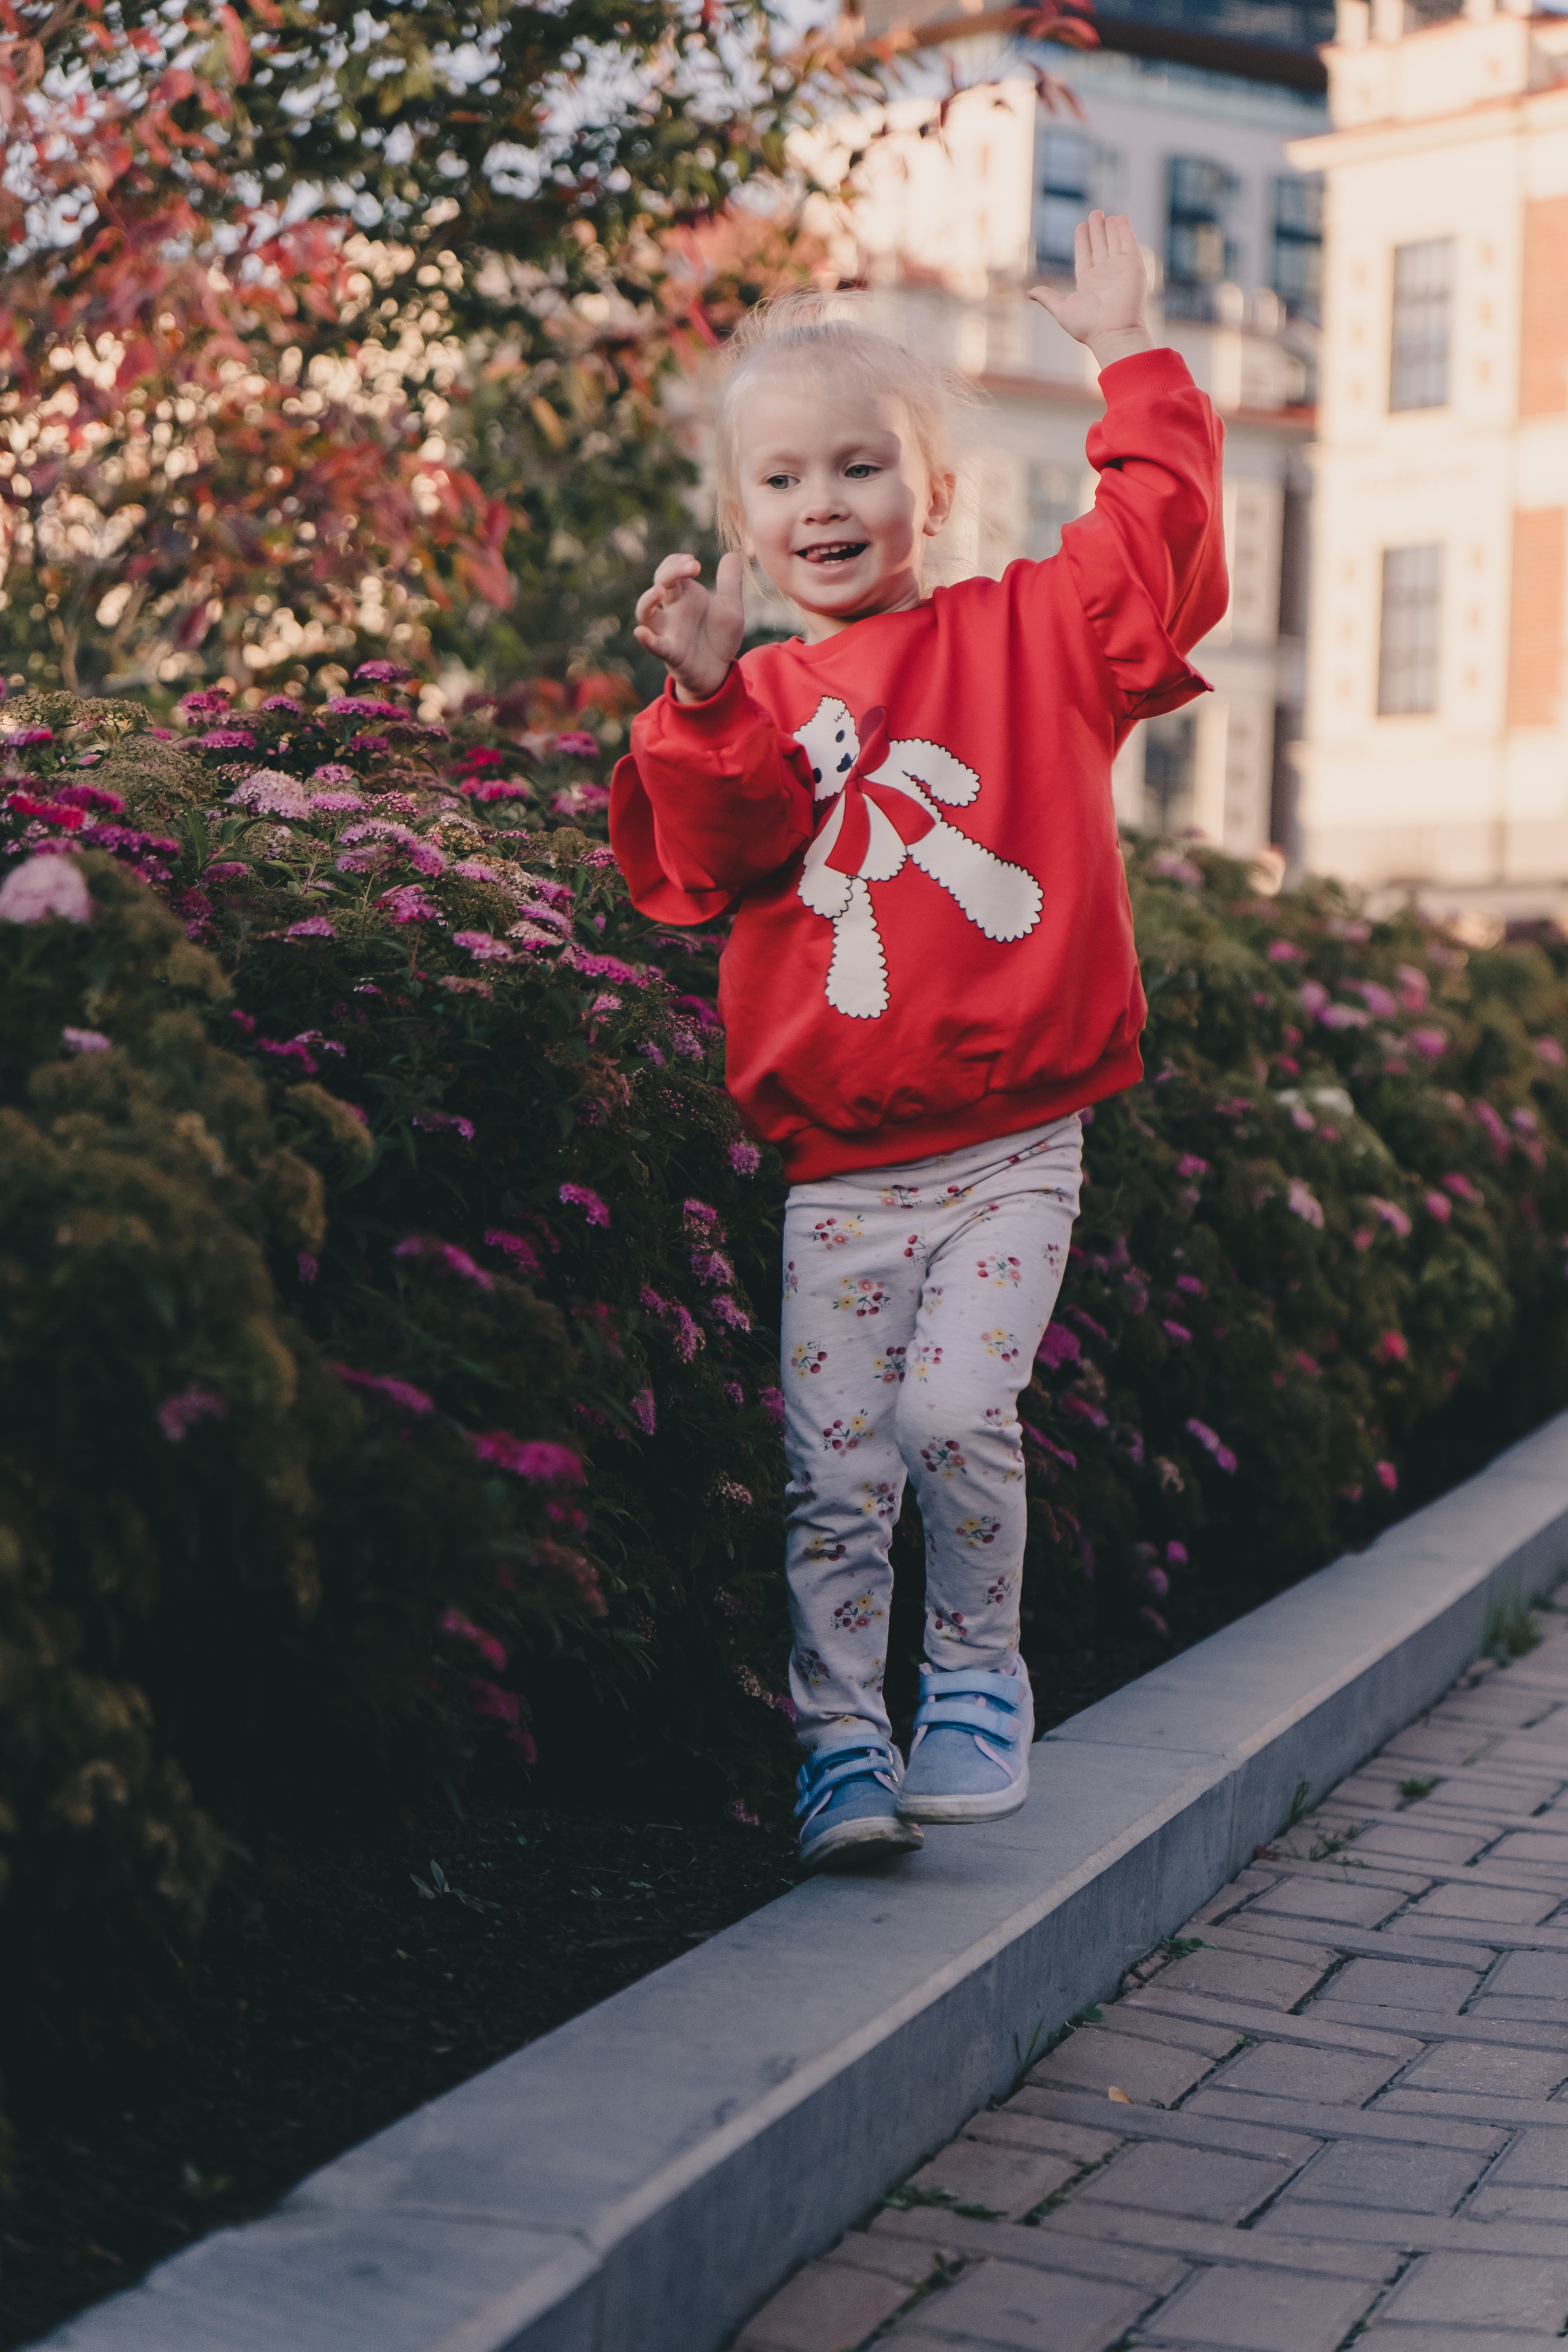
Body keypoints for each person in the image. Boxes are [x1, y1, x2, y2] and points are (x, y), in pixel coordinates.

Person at [610, 213, 1227, 1870]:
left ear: (933, 496)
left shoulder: (1027, 635)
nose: (825, 506)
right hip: (842, 1173)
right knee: (836, 1474)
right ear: (740, 517)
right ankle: (839, 1744)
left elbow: (1153, 533)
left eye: (863, 468)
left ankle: (971, 1679)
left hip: (1015, 1146)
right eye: (785, 481)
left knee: (955, 1419)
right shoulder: (752, 701)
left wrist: (1129, 355)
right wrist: (698, 697)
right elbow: (724, 848)